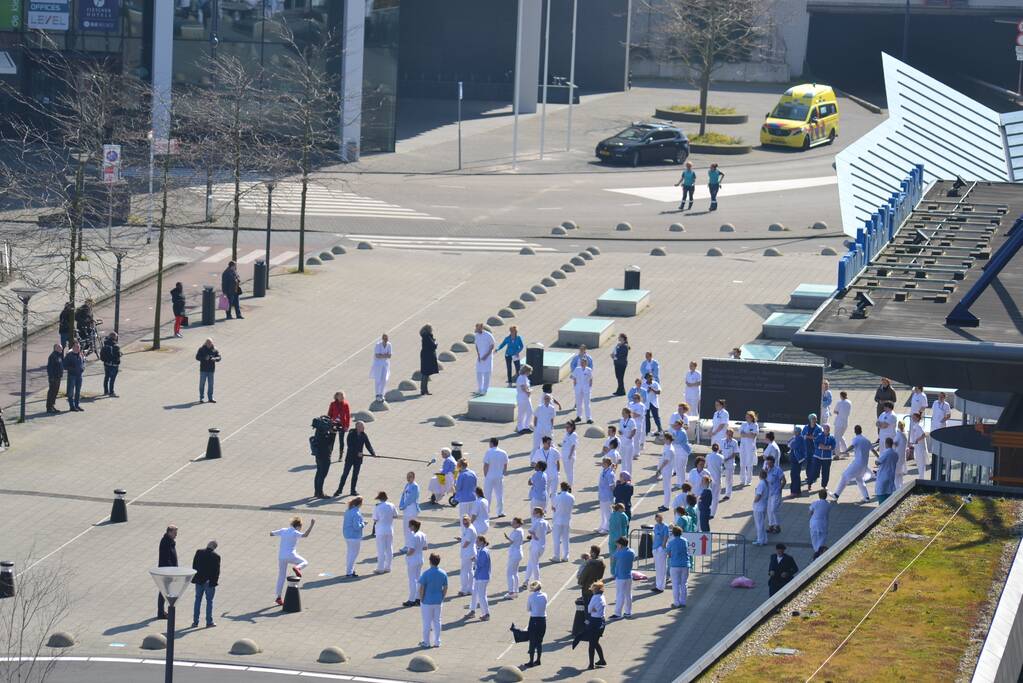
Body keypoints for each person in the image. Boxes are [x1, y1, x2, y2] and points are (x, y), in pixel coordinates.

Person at [270, 517, 314, 605]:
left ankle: (278, 597)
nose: (301, 529)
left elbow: (271, 533)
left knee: (281, 576)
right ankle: (297, 568)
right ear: (298, 526)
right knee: (305, 562)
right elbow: (305, 535)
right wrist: (312, 525)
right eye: (301, 527)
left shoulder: (283, 530)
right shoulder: (295, 532)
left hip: (281, 556)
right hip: (291, 555)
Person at [334, 421, 376, 497]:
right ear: (357, 427)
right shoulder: (351, 434)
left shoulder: (364, 435)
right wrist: (357, 453)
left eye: (364, 427)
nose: (364, 428)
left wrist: (373, 453)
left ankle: (353, 490)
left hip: (358, 459)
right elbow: (350, 446)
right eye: (362, 427)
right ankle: (339, 490)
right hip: (350, 458)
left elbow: (368, 445)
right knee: (345, 474)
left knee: (355, 475)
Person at [832, 425, 872, 503]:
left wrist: (844, 451)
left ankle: (836, 494)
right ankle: (866, 497)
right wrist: (878, 457)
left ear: (855, 431)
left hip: (857, 463)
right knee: (859, 480)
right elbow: (873, 450)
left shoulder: (856, 439)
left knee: (845, 475)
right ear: (861, 430)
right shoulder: (867, 440)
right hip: (864, 465)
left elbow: (852, 446)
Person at [418, 553, 447, 648]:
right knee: (437, 621)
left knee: (427, 622)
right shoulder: (443, 573)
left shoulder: (426, 573)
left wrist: (421, 599)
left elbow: (422, 587)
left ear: (430, 561)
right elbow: (445, 587)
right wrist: (442, 597)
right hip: (438, 601)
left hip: (427, 601)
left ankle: (426, 642)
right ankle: (437, 641)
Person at [190, 540, 220, 628]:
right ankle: (209, 622)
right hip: (209, 583)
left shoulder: (199, 552)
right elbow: (216, 571)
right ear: (214, 547)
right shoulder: (216, 556)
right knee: (209, 601)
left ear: (208, 545)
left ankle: (195, 622)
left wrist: (196, 577)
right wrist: (213, 582)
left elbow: (194, 565)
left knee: (197, 600)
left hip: (199, 581)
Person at [521, 581, 548, 666]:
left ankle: (531, 661)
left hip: (534, 620)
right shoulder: (545, 595)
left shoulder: (531, 597)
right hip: (543, 620)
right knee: (539, 641)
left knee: (532, 641)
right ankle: (538, 660)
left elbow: (528, 609)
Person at [582, 581, 608, 669]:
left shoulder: (594, 597)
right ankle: (602, 660)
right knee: (595, 642)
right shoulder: (602, 596)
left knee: (591, 644)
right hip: (602, 621)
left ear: (595, 590)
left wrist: (593, 609)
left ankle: (591, 664)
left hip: (594, 622)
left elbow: (589, 610)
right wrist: (594, 609)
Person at [403, 519, 428, 607]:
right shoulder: (423, 534)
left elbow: (412, 550)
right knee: (418, 579)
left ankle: (411, 599)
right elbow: (425, 547)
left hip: (413, 559)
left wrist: (406, 555)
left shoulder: (414, 536)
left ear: (413, 526)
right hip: (420, 559)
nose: (409, 527)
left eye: (410, 525)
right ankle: (418, 598)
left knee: (412, 580)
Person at [482, 437, 509, 517]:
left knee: (487, 495)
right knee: (499, 494)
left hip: (489, 476)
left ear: (492, 443)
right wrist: (503, 473)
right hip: (499, 476)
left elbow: (486, 465)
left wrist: (485, 475)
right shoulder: (503, 452)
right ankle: (500, 512)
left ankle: (486, 512)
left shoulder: (489, 452)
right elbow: (505, 464)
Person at [610, 537, 636, 619]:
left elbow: (613, 558)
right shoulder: (632, 552)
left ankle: (617, 613)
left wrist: (617, 549)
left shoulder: (619, 553)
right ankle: (628, 612)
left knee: (620, 595)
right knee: (628, 594)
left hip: (620, 577)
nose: (616, 545)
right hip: (628, 576)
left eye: (617, 544)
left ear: (621, 545)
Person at [157, 525, 178, 618]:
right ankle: (161, 613)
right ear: (169, 532)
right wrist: (171, 570)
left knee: (163, 591)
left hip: (167, 570)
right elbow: (166, 559)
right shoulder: (166, 542)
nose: (176, 535)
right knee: (164, 591)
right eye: (175, 533)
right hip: (166, 571)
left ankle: (161, 611)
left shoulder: (168, 541)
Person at [666, 526, 690, 608]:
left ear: (673, 533)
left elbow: (668, 553)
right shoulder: (685, 541)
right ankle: (683, 602)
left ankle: (676, 603)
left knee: (675, 584)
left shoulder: (671, 542)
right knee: (684, 584)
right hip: (685, 564)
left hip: (675, 565)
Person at [469, 535, 492, 620]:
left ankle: (486, 614)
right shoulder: (481, 550)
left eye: (477, 541)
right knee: (475, 593)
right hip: (479, 576)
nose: (476, 543)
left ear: (482, 542)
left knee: (482, 596)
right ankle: (472, 611)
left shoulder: (483, 551)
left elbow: (481, 564)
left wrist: (475, 560)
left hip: (482, 576)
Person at [373, 492, 396, 574]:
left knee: (381, 549)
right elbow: (395, 515)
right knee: (389, 548)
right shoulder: (392, 505)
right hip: (389, 529)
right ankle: (388, 567)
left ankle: (380, 568)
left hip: (380, 530)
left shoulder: (377, 507)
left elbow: (375, 519)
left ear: (380, 499)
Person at [525, 507, 550, 584]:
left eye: (534, 513)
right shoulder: (546, 522)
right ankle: (526, 579)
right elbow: (549, 530)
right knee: (531, 562)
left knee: (534, 564)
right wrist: (542, 534)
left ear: (539, 514)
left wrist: (534, 535)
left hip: (535, 546)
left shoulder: (537, 522)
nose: (533, 514)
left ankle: (537, 581)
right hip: (542, 545)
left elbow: (530, 530)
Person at [551, 482, 575, 562]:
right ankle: (566, 556)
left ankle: (556, 556)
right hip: (567, 520)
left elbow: (553, 508)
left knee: (556, 539)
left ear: (561, 487)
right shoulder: (572, 497)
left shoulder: (557, 497)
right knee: (565, 539)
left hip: (557, 520)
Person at [342, 497, 365, 577]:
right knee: (354, 554)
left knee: (349, 553)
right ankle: (349, 572)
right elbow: (356, 527)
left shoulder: (348, 510)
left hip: (347, 535)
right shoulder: (356, 513)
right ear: (359, 504)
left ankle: (350, 570)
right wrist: (363, 524)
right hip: (354, 536)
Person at [456, 514, 478, 596]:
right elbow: (468, 539)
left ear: (469, 521)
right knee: (470, 570)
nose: (464, 524)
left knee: (464, 571)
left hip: (467, 553)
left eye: (466, 522)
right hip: (471, 552)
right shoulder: (469, 528)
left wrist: (462, 544)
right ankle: (470, 589)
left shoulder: (469, 529)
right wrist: (461, 539)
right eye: (463, 523)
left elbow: (467, 542)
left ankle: (464, 590)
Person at [399, 472, 421, 552]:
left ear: (414, 477)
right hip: (406, 510)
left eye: (410, 477)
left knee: (409, 528)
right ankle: (408, 545)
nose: (408, 478)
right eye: (407, 476)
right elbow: (403, 495)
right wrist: (401, 504)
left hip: (411, 510)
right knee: (405, 528)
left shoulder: (415, 486)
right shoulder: (407, 485)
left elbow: (411, 498)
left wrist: (404, 505)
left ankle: (409, 546)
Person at [473, 322, 497, 395]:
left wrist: (486, 355)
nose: (476, 329)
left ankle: (485, 390)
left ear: (481, 328)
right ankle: (480, 388)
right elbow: (476, 345)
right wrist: (478, 355)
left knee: (487, 373)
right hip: (480, 357)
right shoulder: (476, 335)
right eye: (476, 328)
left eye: (478, 328)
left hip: (488, 358)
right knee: (479, 373)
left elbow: (492, 346)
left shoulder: (488, 335)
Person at [764, 453, 786, 534]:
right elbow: (764, 480)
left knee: (774, 510)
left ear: (773, 463)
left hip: (776, 493)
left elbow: (784, 480)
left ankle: (777, 526)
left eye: (769, 463)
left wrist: (780, 489)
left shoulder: (778, 470)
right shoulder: (766, 470)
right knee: (769, 510)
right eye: (767, 463)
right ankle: (771, 526)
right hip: (769, 493)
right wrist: (765, 472)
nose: (768, 465)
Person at [811, 424, 836, 489]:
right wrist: (820, 446)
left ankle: (824, 486)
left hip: (827, 458)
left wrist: (827, 447)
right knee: (814, 470)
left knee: (826, 472)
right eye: (825, 429)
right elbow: (815, 443)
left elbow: (833, 446)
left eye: (828, 429)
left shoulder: (832, 437)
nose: (827, 430)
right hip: (817, 456)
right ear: (823, 429)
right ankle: (811, 481)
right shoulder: (819, 436)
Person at [505, 518, 525, 599]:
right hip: (518, 552)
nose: (512, 523)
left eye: (513, 523)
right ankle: (516, 591)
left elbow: (511, 541)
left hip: (514, 554)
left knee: (509, 573)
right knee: (515, 572)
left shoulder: (517, 531)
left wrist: (507, 538)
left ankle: (511, 592)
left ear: (518, 524)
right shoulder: (521, 530)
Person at [195, 338, 220, 404]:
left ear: (212, 343)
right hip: (203, 370)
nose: (209, 344)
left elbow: (219, 357)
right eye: (208, 343)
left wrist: (215, 358)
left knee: (211, 384)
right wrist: (204, 358)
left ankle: (210, 398)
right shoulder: (201, 349)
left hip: (211, 370)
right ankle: (201, 398)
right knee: (202, 384)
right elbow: (197, 357)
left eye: (210, 343)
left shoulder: (214, 350)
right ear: (205, 343)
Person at [328, 391, 351, 460]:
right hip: (333, 424)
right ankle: (329, 454)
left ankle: (340, 455)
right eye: (341, 396)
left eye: (343, 396)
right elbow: (329, 414)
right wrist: (329, 423)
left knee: (341, 440)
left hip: (342, 424)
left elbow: (348, 416)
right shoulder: (333, 404)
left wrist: (347, 426)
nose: (342, 397)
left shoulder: (346, 404)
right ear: (337, 396)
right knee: (332, 440)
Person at [875, 437, 899, 503]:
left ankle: (882, 510)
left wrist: (876, 460)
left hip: (883, 476)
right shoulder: (895, 453)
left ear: (886, 444)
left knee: (881, 493)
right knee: (889, 492)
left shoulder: (886, 453)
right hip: (891, 475)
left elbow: (878, 462)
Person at [801, 414, 823, 486]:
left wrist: (809, 437)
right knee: (808, 463)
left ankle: (815, 476)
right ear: (810, 420)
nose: (814, 420)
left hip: (816, 449)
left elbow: (819, 437)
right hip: (807, 448)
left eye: (815, 419)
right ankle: (809, 476)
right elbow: (802, 435)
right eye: (812, 419)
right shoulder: (806, 427)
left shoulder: (819, 428)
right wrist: (810, 437)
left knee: (815, 463)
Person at [808, 489, 831, 557]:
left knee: (814, 538)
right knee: (822, 538)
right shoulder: (828, 504)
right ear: (826, 496)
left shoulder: (815, 503)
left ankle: (817, 552)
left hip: (814, 523)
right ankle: (820, 551)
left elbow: (810, 512)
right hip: (823, 523)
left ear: (819, 496)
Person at [370, 333, 392, 402]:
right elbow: (377, 355)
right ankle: (377, 394)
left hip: (385, 364)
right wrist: (385, 355)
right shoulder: (378, 345)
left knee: (384, 380)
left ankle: (382, 394)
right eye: (385, 339)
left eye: (387, 338)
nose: (386, 340)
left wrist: (382, 355)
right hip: (378, 365)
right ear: (382, 339)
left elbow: (389, 356)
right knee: (378, 379)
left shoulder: (389, 345)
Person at [571, 357, 593, 424]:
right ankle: (579, 416)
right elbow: (574, 378)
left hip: (586, 388)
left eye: (583, 362)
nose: (582, 364)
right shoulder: (577, 369)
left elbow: (591, 379)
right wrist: (575, 387)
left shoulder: (589, 370)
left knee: (587, 403)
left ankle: (588, 418)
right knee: (578, 403)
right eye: (581, 362)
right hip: (578, 388)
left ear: (586, 363)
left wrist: (589, 387)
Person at [651, 513, 670, 593]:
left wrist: (663, 545)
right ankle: (658, 585)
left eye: (659, 518)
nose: (658, 519)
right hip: (655, 547)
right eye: (657, 518)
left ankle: (661, 586)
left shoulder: (665, 526)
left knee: (662, 568)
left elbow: (666, 536)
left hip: (661, 548)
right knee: (658, 568)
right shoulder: (655, 526)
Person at [657, 433, 675, 512]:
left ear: (668, 439)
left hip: (667, 470)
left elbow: (666, 461)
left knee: (667, 488)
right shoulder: (666, 446)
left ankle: (666, 505)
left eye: (664, 438)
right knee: (665, 488)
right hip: (665, 470)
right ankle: (665, 504)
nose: (663, 439)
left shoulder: (670, 449)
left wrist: (660, 469)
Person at [705, 442, 724, 517]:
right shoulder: (721, 457)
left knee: (709, 495)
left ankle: (708, 510)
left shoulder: (708, 456)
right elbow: (723, 466)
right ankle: (712, 513)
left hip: (709, 478)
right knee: (715, 496)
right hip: (717, 478)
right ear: (718, 449)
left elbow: (706, 465)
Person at [596, 457, 615, 533]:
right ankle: (602, 525)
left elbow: (612, 486)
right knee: (603, 512)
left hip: (607, 496)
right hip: (602, 495)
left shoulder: (610, 474)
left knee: (608, 512)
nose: (602, 464)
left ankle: (607, 528)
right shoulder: (604, 470)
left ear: (606, 464)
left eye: (603, 463)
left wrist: (613, 496)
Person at [608, 504, 629, 569]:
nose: (624, 510)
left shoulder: (612, 514)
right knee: (620, 556)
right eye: (623, 508)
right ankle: (619, 571)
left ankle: (613, 572)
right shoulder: (623, 515)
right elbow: (626, 524)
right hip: (620, 539)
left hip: (612, 538)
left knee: (612, 555)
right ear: (620, 509)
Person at [419, 325, 438, 396]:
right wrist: (435, 343)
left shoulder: (425, 336)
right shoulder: (427, 336)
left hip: (425, 355)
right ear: (428, 329)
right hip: (427, 356)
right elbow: (433, 346)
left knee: (425, 373)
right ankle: (424, 390)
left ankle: (423, 390)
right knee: (426, 374)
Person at [100, 332, 121, 397]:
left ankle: (106, 391)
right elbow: (117, 356)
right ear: (115, 338)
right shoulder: (116, 346)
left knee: (106, 377)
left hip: (106, 364)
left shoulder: (105, 345)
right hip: (114, 365)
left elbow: (101, 356)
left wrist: (106, 360)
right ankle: (111, 392)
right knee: (112, 379)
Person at [787, 427, 806, 497]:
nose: (794, 432)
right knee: (796, 475)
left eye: (795, 431)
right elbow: (788, 443)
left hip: (797, 459)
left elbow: (792, 445)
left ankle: (794, 492)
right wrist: (791, 443)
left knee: (794, 475)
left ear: (798, 432)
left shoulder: (799, 438)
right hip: (795, 459)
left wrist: (791, 444)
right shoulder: (796, 437)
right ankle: (797, 491)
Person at [618, 407, 637, 477]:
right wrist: (620, 432)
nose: (622, 414)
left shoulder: (631, 421)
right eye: (622, 413)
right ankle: (623, 475)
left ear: (628, 413)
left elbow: (634, 429)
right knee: (623, 460)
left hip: (628, 443)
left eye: (624, 413)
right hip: (622, 442)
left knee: (628, 461)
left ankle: (629, 476)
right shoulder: (621, 420)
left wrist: (630, 437)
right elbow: (620, 429)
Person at [515, 365, 534, 433]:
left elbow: (526, 387)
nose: (530, 373)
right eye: (529, 371)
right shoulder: (521, 378)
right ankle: (520, 428)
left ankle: (526, 426)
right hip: (522, 397)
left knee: (530, 411)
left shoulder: (525, 377)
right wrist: (529, 392)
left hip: (526, 397)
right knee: (521, 413)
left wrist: (529, 391)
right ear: (526, 371)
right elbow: (523, 388)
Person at [909, 412, 928, 479]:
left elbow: (924, 435)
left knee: (921, 461)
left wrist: (917, 440)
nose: (912, 418)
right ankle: (921, 476)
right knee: (918, 461)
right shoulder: (915, 425)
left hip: (920, 446)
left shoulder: (919, 426)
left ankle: (921, 477)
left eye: (914, 417)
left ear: (917, 418)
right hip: (917, 446)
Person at [643, 371, 663, 436]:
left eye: (651, 376)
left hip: (654, 403)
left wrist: (653, 390)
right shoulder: (643, 385)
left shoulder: (655, 384)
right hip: (646, 404)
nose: (651, 378)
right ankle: (647, 431)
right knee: (647, 417)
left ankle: (660, 430)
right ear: (646, 378)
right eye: (649, 377)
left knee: (656, 417)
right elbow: (643, 394)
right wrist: (647, 391)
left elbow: (659, 392)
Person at [46, 344, 64, 413]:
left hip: (58, 377)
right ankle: (49, 407)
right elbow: (50, 368)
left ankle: (52, 406)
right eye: (60, 348)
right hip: (54, 378)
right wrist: (51, 377)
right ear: (56, 348)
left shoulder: (59, 355)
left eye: (61, 348)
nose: (61, 349)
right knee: (52, 392)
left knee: (55, 392)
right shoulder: (53, 356)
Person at [752, 471, 768, 546]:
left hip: (759, 507)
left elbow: (758, 495)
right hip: (763, 506)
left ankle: (760, 540)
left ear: (760, 476)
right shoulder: (765, 483)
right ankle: (764, 539)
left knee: (759, 524)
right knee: (761, 524)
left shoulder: (761, 484)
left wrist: (754, 501)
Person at [561, 421, 579, 488]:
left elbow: (573, 445)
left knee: (569, 472)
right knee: (566, 471)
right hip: (565, 455)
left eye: (568, 427)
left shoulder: (574, 435)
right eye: (566, 427)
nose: (566, 428)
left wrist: (570, 455)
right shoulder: (567, 433)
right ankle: (569, 484)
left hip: (569, 456)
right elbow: (565, 442)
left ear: (572, 427)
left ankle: (569, 486)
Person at [893, 420, 909, 489]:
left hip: (897, 455)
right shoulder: (905, 433)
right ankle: (901, 487)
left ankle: (897, 489)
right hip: (903, 455)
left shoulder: (899, 434)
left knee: (896, 474)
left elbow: (895, 443)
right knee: (900, 474)